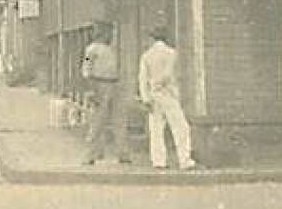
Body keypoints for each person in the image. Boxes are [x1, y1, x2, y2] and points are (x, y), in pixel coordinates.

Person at [138, 25, 197, 170]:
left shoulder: (146, 55)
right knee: (180, 127)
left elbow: (142, 78)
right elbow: (169, 74)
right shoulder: (172, 53)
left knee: (156, 129)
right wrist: (161, 85)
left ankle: (158, 161)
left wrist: (146, 97)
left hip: (153, 95)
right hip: (168, 94)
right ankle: (184, 160)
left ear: (152, 38)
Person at [81, 22, 130, 165]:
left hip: (114, 84)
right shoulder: (91, 50)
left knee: (119, 119)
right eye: (108, 33)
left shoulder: (111, 49)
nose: (111, 36)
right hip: (100, 84)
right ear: (101, 33)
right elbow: (86, 70)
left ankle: (123, 153)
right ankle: (90, 154)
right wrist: (92, 89)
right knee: (97, 121)